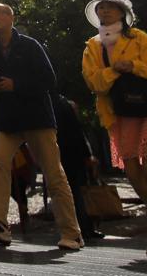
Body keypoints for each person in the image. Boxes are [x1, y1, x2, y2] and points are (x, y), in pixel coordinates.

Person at [0, 1, 82, 249]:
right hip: (7, 119)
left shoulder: (30, 46)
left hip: (36, 118)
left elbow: (48, 79)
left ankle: (71, 233)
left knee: (53, 173)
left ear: (12, 18)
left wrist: (16, 84)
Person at [81, 0, 147, 259]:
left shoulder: (139, 38)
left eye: (110, 8)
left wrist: (133, 66)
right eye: (101, 8)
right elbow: (94, 81)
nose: (105, 11)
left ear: (122, 13)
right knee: (132, 171)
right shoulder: (92, 46)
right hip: (118, 114)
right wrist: (114, 71)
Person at [53, 93, 103, 240]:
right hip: (73, 157)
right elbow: (78, 135)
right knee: (78, 194)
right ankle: (84, 228)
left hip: (62, 156)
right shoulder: (63, 105)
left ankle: (76, 227)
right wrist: (88, 156)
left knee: (69, 193)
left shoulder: (52, 105)